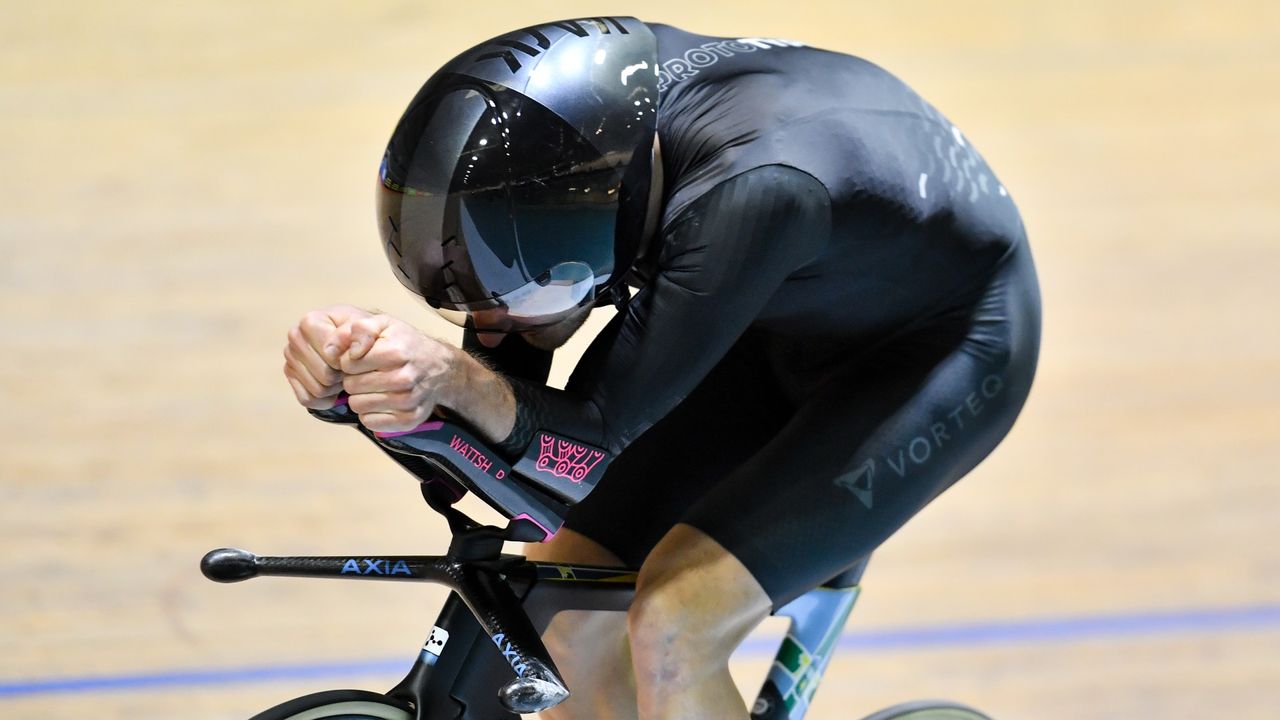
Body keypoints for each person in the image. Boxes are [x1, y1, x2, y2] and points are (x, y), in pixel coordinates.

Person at [281, 16, 1041, 720]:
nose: (497, 328)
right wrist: (366, 385)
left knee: (677, 627)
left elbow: (573, 458)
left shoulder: (754, 192)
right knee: (564, 627)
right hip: (769, 308)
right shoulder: (587, 128)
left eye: (526, 292)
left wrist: (447, 380)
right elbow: (516, 444)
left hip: (939, 352)